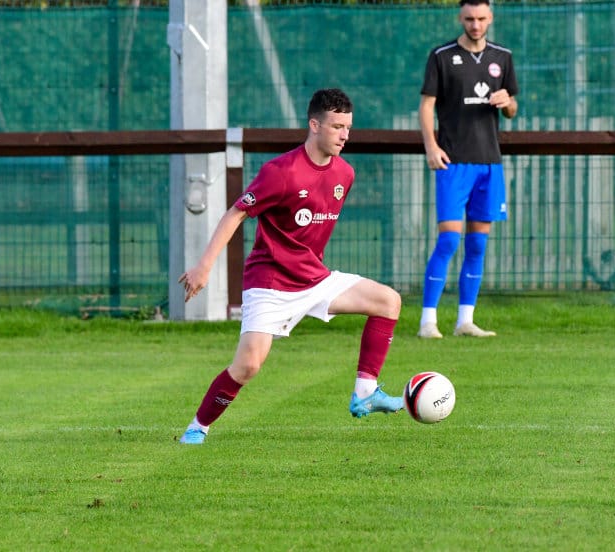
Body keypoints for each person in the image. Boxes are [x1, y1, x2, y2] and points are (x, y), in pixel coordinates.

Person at [176, 88, 404, 445]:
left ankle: (365, 392)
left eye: (348, 127)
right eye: (336, 127)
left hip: (314, 279)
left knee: (388, 301)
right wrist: (204, 267)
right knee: (248, 366)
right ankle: (197, 427)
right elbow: (236, 213)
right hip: (270, 284)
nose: (344, 135)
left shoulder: (345, 173)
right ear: (314, 125)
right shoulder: (281, 172)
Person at [417, 0, 519, 339]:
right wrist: (431, 146)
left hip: (488, 163)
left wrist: (507, 102)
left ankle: (465, 321)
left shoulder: (502, 56)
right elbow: (426, 105)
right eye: (470, 19)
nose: (475, 25)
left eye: (481, 19)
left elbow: (512, 109)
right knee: (448, 240)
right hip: (453, 162)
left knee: (477, 245)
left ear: (491, 18)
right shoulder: (442, 56)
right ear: (460, 18)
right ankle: (428, 321)